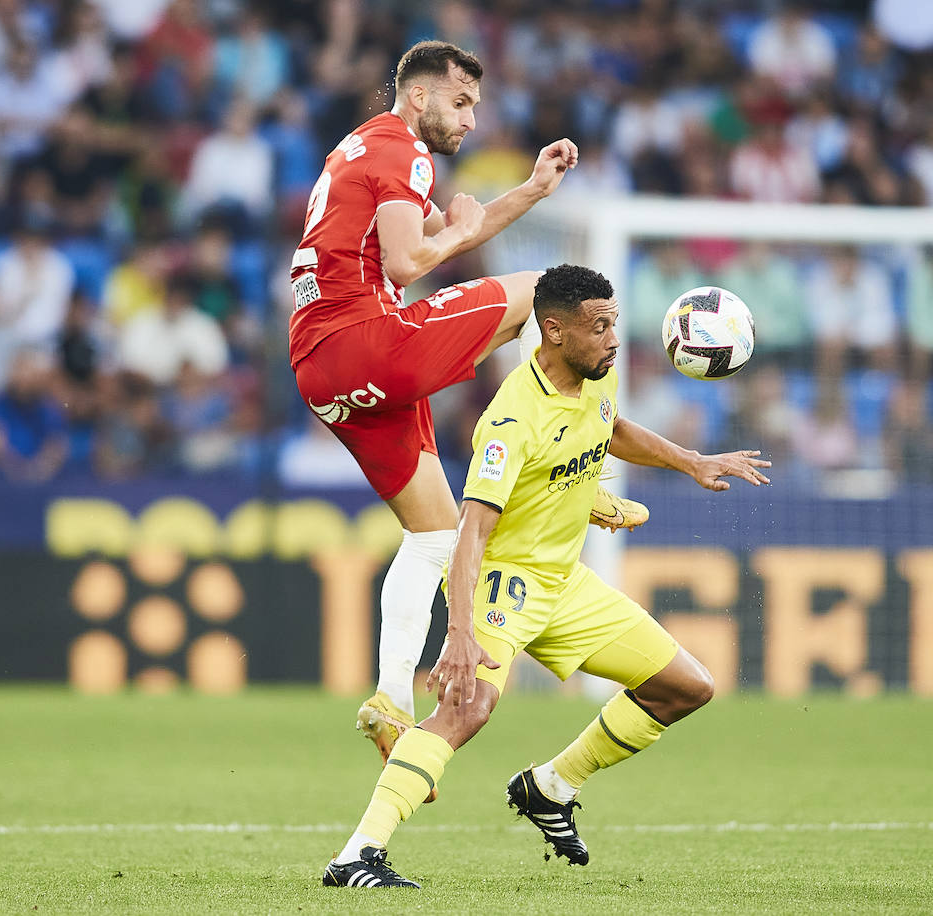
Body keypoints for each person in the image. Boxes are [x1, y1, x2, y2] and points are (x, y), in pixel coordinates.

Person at [322, 265, 770, 889]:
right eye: (600, 326)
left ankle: (550, 787)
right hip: (499, 584)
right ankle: (356, 855)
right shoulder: (510, 421)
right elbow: (470, 531)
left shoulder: (596, 374)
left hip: (564, 584)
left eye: (615, 323)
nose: (614, 339)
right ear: (554, 330)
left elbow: (610, 429)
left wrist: (690, 462)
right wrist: (458, 632)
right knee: (467, 709)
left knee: (686, 687)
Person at [286, 41, 647, 775]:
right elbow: (409, 263)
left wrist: (531, 192)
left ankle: (388, 699)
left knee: (434, 536)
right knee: (553, 292)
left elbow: (441, 239)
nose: (472, 120)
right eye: (461, 103)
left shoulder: (360, 148)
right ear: (419, 97)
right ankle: (569, 466)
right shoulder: (402, 149)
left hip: (321, 368)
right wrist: (451, 227)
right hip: (367, 338)